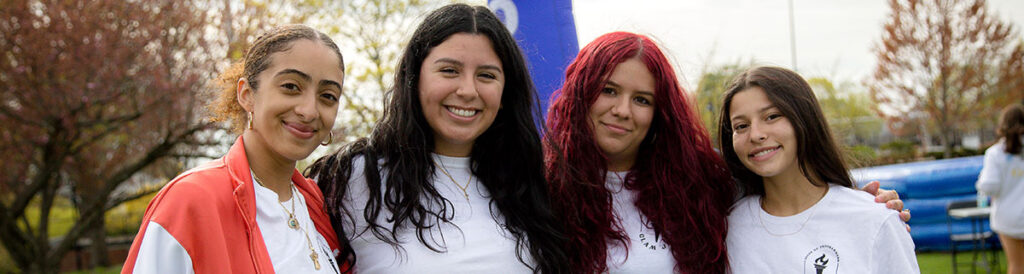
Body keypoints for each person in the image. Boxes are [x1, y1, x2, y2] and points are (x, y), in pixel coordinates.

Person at [307, 4, 568, 273]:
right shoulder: (355, 178)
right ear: (415, 79)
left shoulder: (528, 185)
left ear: (505, 93)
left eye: (486, 76)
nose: (468, 90)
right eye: (449, 71)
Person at [123, 25, 347, 273]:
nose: (309, 110)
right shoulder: (188, 203)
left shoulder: (320, 206)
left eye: (328, 95)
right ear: (247, 94)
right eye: (291, 86)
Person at [719, 66, 918, 273]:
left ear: (804, 119)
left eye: (771, 116)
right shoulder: (727, 230)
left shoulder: (874, 218)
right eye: (741, 126)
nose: (756, 134)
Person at [976, 103, 1024, 274]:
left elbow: (989, 186)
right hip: (1010, 216)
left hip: (1008, 217)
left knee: (1017, 265)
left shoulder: (996, 153)